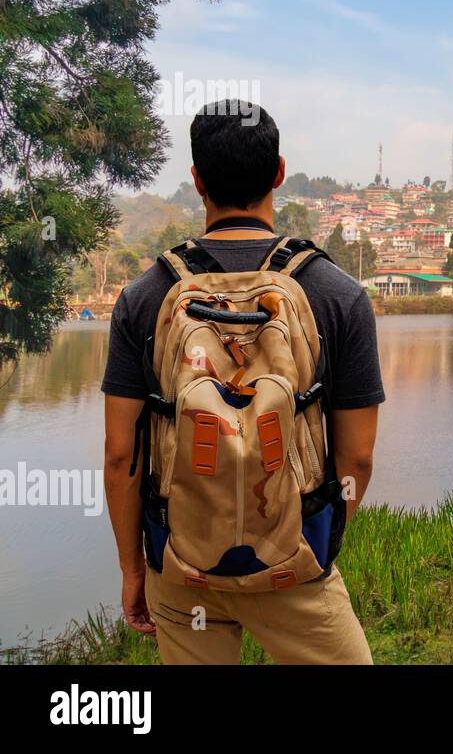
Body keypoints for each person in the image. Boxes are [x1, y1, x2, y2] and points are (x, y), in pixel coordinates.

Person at [102, 100, 382, 664]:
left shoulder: (144, 296)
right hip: (295, 565)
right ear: (279, 172)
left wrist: (135, 567)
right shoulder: (337, 294)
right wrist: (309, 546)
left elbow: (118, 454)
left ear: (197, 180)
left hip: (182, 565)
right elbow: (358, 459)